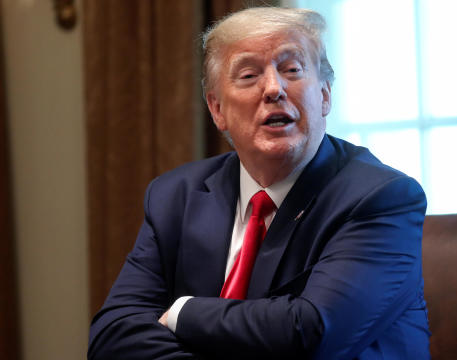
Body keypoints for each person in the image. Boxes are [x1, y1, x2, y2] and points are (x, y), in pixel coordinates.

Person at [88, 6, 430, 359]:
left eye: (292, 70)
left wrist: (182, 312)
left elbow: (310, 333)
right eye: (249, 75)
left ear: (325, 95)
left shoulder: (381, 198)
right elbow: (112, 336)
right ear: (217, 109)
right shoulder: (176, 196)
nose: (273, 88)